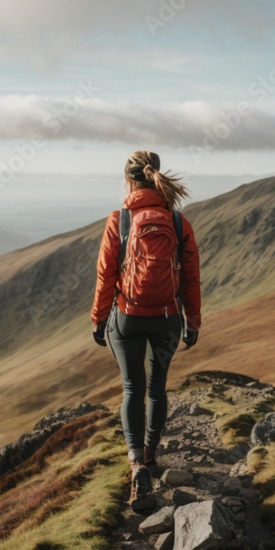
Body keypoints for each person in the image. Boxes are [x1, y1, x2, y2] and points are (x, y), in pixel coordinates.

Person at [90, 150, 201, 514]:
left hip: (127, 316)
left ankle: (136, 464)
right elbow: (191, 279)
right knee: (156, 389)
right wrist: (193, 321)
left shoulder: (120, 220)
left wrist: (98, 319)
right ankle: (152, 457)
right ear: (156, 176)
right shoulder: (179, 222)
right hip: (167, 317)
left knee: (131, 388)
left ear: (129, 180)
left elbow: (106, 275)